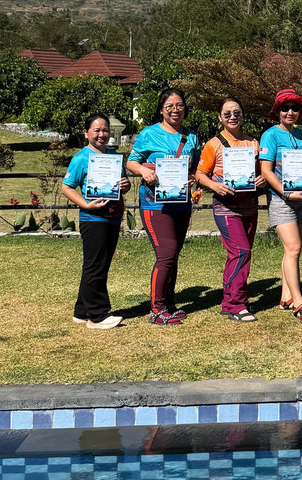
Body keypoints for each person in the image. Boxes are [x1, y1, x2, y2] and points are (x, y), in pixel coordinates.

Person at [126, 88, 199, 326]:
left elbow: (196, 168)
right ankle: (157, 309)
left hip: (180, 202)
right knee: (165, 254)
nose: (175, 110)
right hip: (153, 203)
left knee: (173, 255)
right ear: (161, 110)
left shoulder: (192, 137)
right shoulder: (148, 134)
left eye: (179, 106)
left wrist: (193, 178)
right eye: (169, 106)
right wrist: (144, 171)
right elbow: (131, 162)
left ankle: (169, 303)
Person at [195, 97, 265, 322]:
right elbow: (200, 174)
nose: (232, 117)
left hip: (249, 206)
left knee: (238, 254)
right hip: (226, 207)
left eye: (237, 112)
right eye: (227, 114)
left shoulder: (253, 143)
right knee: (241, 251)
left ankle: (229, 300)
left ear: (243, 115)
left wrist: (261, 179)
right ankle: (236, 304)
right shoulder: (213, 144)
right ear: (220, 118)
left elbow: (259, 172)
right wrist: (214, 185)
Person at [61, 114, 130, 329]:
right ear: (86, 133)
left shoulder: (114, 157)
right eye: (96, 130)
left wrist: (125, 185)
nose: (101, 134)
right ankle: (97, 316)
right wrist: (86, 205)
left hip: (112, 216)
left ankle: (81, 311)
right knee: (95, 265)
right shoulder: (81, 158)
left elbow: (121, 185)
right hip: (93, 218)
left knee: (99, 264)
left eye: (105, 130)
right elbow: (67, 186)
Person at [259, 88, 302, 323]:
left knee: (294, 249)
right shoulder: (270, 135)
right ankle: (299, 303)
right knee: (293, 248)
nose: (290, 112)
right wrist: (285, 193)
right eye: (285, 108)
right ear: (277, 111)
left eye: (294, 108)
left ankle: (285, 296)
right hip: (282, 200)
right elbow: (265, 170)